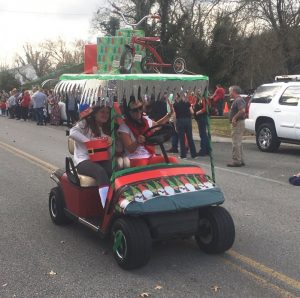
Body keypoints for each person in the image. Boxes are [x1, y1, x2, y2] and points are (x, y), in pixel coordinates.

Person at [69, 103, 113, 207]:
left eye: (107, 112)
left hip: (100, 159)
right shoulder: (85, 124)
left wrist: (111, 143)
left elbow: (109, 152)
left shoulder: (106, 128)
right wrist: (89, 142)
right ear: (94, 113)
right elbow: (72, 132)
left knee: (114, 170)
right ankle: (106, 207)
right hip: (83, 160)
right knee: (100, 172)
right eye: (102, 112)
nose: (105, 115)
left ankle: (116, 200)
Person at [118, 94, 177, 167]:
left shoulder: (146, 120)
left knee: (173, 161)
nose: (138, 112)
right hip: (135, 158)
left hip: (150, 156)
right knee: (143, 168)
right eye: (134, 110)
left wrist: (169, 114)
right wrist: (137, 142)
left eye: (140, 108)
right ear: (128, 112)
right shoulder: (124, 126)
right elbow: (130, 149)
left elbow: (157, 125)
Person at [173, 92, 197, 159]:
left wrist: (175, 124)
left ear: (177, 97)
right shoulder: (187, 103)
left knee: (182, 138)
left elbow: (174, 115)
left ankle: (183, 155)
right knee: (190, 138)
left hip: (180, 121)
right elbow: (192, 112)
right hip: (188, 121)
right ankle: (194, 154)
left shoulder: (175, 104)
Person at [227, 85, 246, 167]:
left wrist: (234, 118)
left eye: (230, 91)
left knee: (235, 142)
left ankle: (236, 161)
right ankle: (240, 159)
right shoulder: (237, 100)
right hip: (238, 122)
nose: (229, 93)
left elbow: (242, 110)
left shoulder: (238, 100)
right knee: (238, 142)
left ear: (234, 91)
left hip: (238, 123)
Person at [193, 91, 210, 156]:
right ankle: (207, 149)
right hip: (199, 118)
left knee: (202, 134)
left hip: (202, 117)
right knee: (203, 134)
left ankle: (203, 150)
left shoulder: (204, 99)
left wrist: (198, 112)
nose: (198, 91)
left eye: (199, 90)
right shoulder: (199, 99)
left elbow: (205, 108)